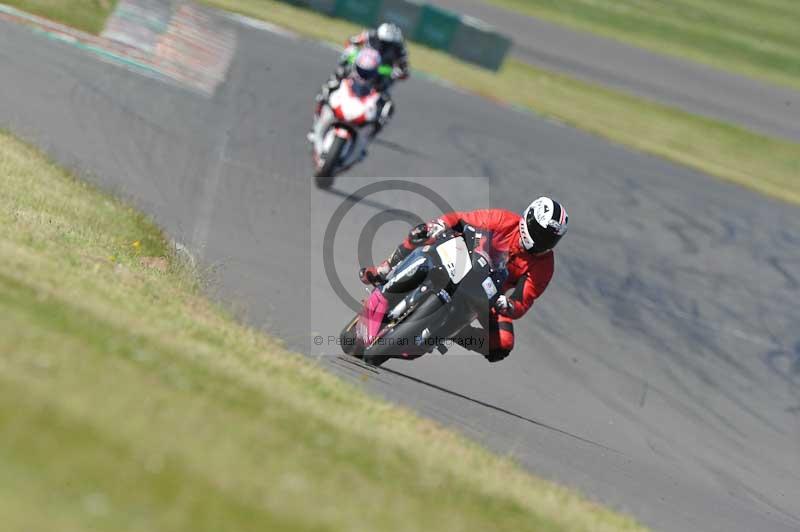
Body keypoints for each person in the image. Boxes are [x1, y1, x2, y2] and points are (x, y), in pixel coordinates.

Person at [359, 198, 568, 363]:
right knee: (424, 233)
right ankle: (385, 269)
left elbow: (523, 301)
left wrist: (509, 305)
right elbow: (460, 219)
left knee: (502, 344)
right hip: (465, 258)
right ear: (528, 219)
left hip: (489, 294)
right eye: (541, 233)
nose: (543, 242)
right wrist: (439, 225)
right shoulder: (503, 220)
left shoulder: (544, 265)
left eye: (551, 238)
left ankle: (454, 332)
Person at [315, 23, 409, 134]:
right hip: (361, 68)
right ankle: (319, 111)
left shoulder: (400, 48)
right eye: (382, 42)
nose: (384, 46)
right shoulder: (369, 35)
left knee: (387, 107)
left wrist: (397, 72)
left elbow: (404, 68)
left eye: (389, 44)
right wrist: (352, 52)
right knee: (334, 80)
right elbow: (351, 42)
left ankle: (370, 133)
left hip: (380, 79)